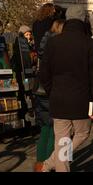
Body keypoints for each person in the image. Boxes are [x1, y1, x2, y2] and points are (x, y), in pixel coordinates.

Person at [39, 5, 93, 172]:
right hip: (82, 99)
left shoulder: (53, 42)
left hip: (58, 98)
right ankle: (49, 164)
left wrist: (52, 91)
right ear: (83, 20)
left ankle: (48, 164)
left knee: (62, 141)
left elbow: (44, 74)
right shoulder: (90, 44)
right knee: (82, 134)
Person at [33, 19, 65, 172]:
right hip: (56, 91)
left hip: (41, 91)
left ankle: (40, 164)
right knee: (59, 131)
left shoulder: (44, 43)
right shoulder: (60, 46)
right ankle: (51, 164)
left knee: (45, 128)